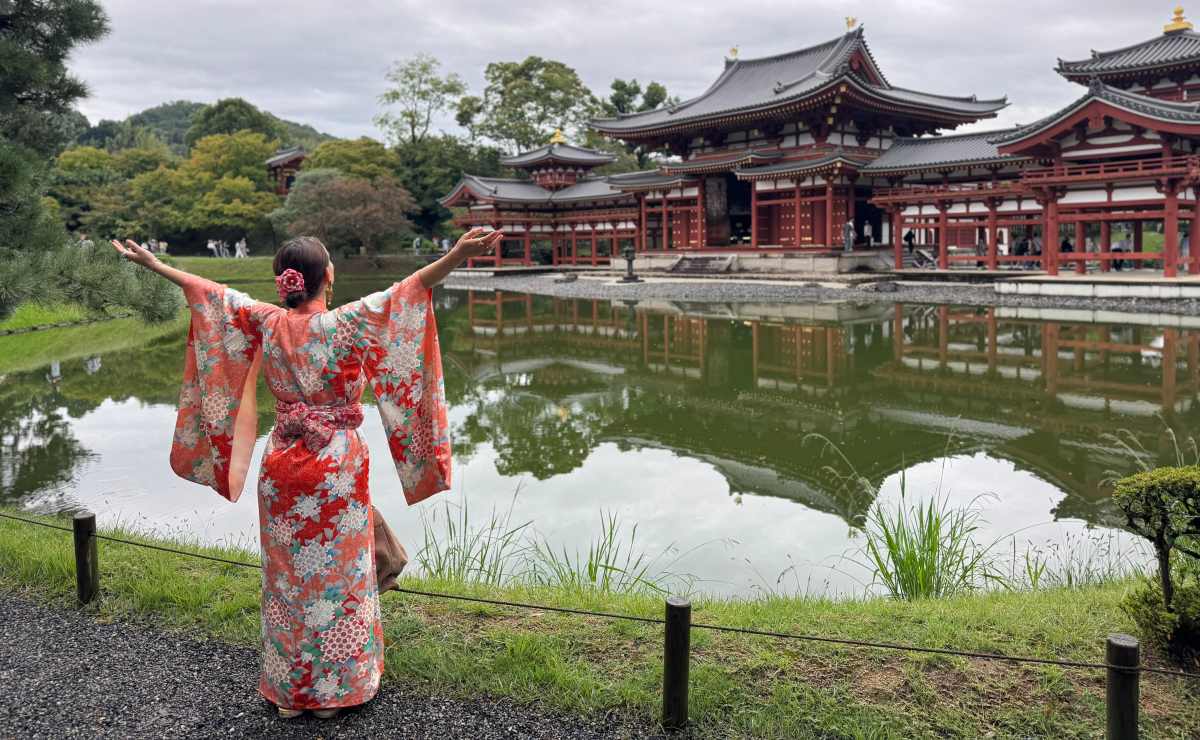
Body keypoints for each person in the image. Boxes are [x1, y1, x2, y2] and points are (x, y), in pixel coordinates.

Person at [108, 227, 504, 720]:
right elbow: (413, 288)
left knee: (287, 579)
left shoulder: (267, 322)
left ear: (284, 283)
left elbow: (206, 292)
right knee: (339, 576)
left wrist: (154, 264)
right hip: (335, 462)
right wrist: (458, 253)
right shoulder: (348, 323)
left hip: (281, 461)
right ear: (328, 277)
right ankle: (334, 691)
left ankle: (290, 693)